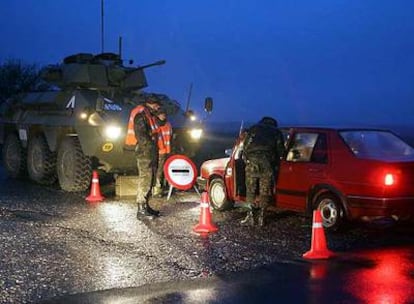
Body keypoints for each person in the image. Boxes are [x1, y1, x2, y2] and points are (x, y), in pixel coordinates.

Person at [241, 116, 285, 226]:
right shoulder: (276, 132)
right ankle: (262, 217)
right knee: (265, 190)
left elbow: (245, 146)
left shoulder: (254, 128)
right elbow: (281, 151)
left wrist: (247, 159)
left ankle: (250, 216)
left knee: (251, 189)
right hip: (267, 163)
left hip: (252, 162)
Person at [125, 94, 161, 219]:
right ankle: (141, 209)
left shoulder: (149, 115)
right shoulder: (141, 115)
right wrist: (149, 148)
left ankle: (146, 206)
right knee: (145, 178)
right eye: (156, 105)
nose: (158, 107)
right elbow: (141, 136)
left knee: (150, 179)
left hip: (151, 150)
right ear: (151, 103)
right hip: (145, 151)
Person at [153, 110, 173, 198]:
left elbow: (170, 136)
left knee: (165, 169)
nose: (163, 116)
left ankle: (166, 186)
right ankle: (157, 188)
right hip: (160, 151)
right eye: (161, 114)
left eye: (164, 114)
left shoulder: (168, 124)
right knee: (159, 170)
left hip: (167, 150)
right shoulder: (156, 125)